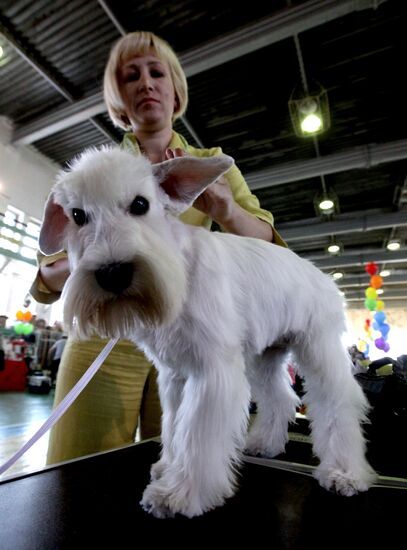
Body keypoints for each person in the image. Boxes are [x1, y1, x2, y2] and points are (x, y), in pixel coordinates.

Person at [30, 31, 286, 465]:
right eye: (131, 77)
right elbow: (47, 270)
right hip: (105, 337)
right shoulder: (88, 174)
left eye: (156, 72)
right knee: (80, 470)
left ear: (175, 89)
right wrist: (93, 261)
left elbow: (268, 243)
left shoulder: (212, 163)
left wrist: (226, 209)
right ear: (119, 99)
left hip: (189, 334)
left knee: (181, 463)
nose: (146, 83)